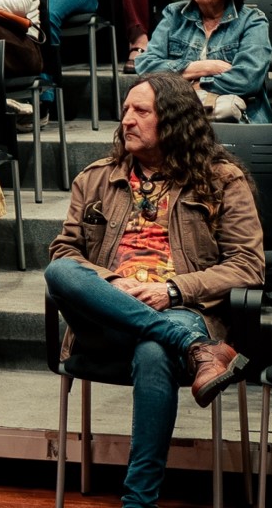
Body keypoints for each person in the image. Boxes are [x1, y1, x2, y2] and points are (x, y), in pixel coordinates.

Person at [45, 73, 260, 508]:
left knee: (152, 351)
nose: (126, 120)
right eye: (125, 110)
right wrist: (112, 283)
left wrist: (174, 290)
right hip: (106, 316)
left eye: (140, 111)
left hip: (181, 308)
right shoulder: (97, 178)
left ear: (175, 121)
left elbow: (248, 267)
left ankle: (137, 502)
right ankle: (195, 348)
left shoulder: (222, 180)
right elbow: (65, 252)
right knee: (60, 272)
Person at [135, 0, 271, 122]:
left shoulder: (252, 22)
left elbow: (247, 79)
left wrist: (193, 84)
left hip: (234, 122)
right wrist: (203, 67)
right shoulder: (174, 15)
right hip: (178, 122)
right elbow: (146, 66)